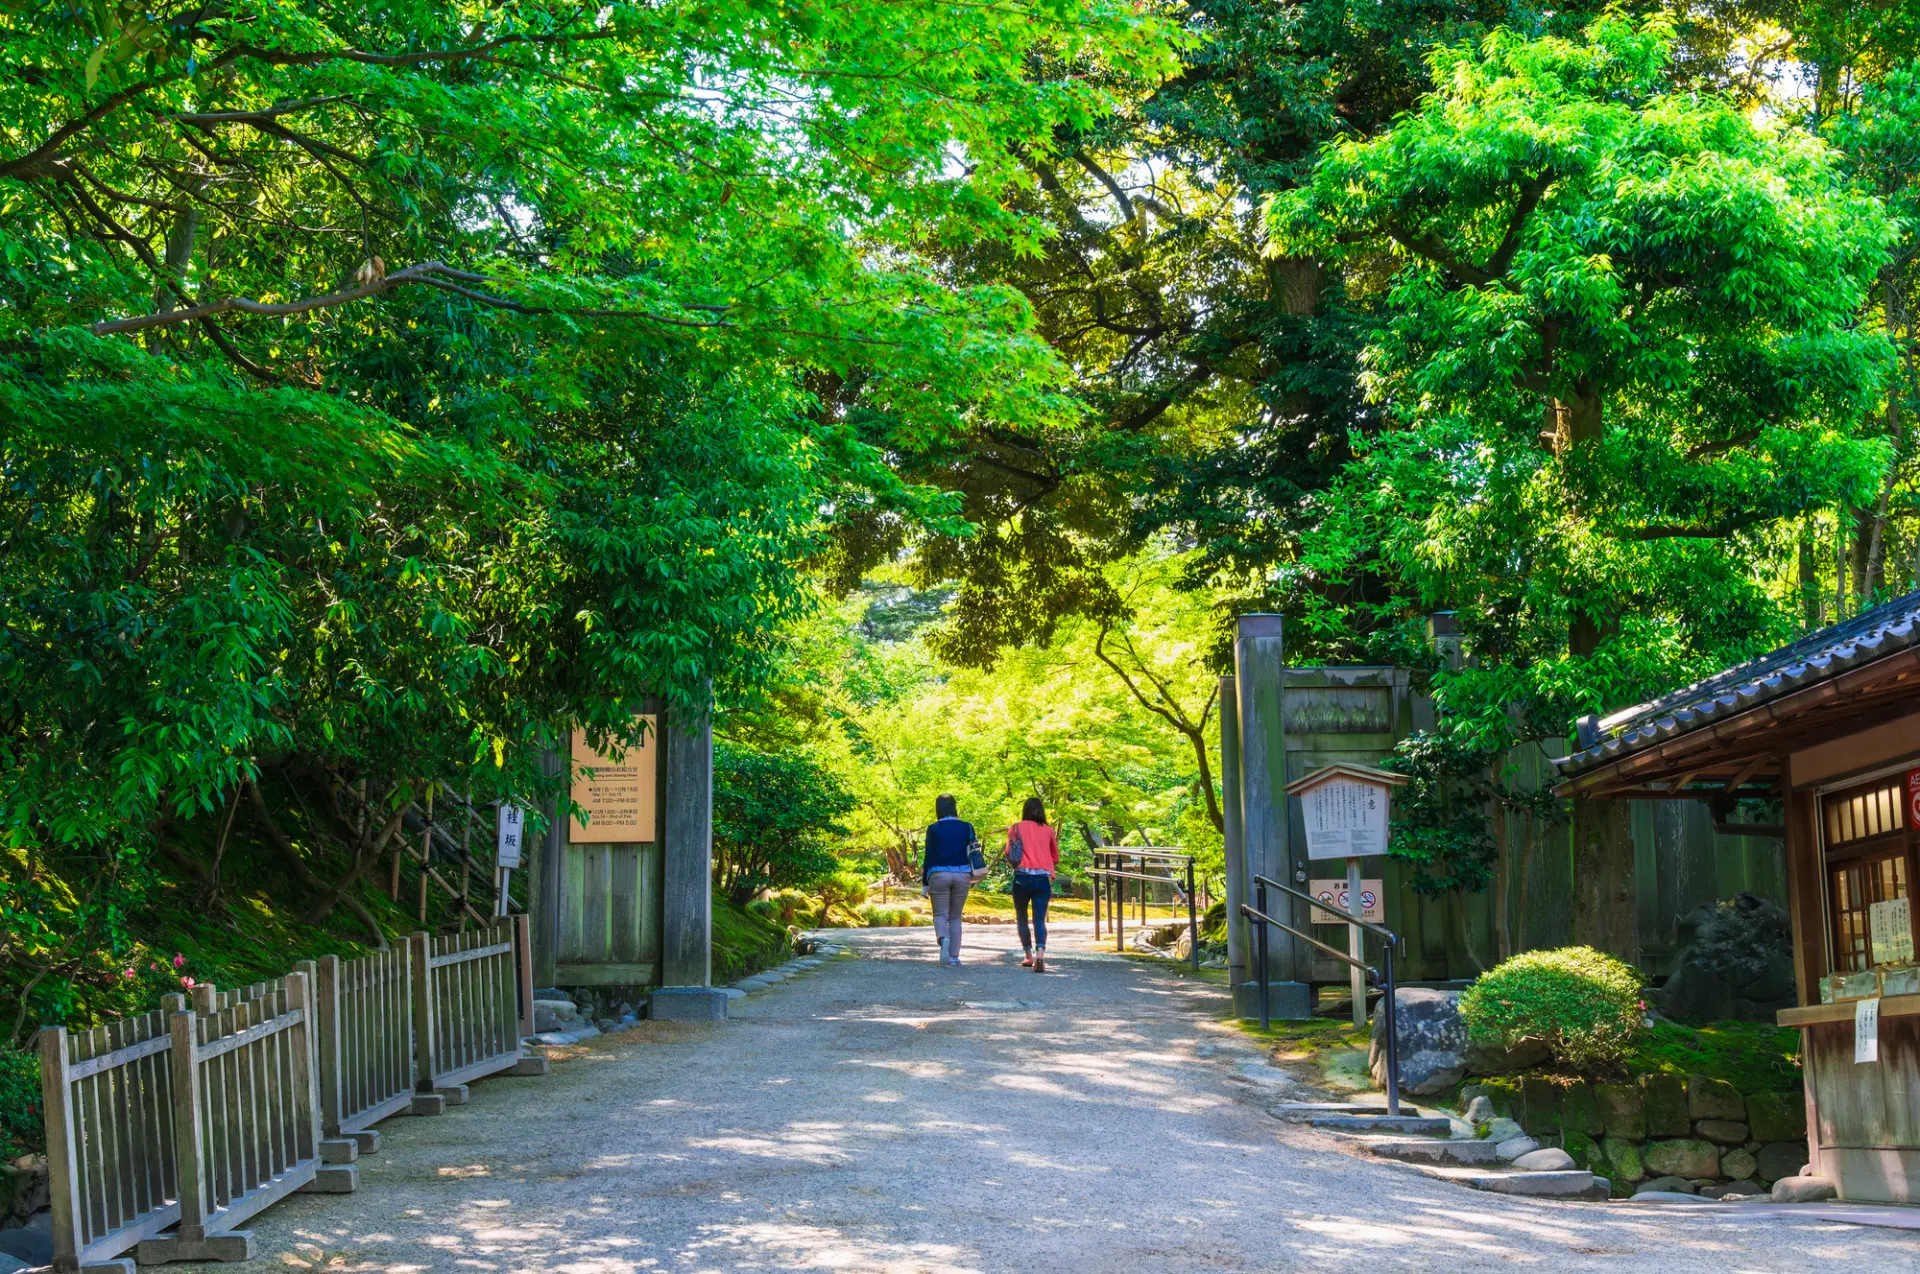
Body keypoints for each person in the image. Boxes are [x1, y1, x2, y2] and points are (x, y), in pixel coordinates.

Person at [1005, 796, 1061, 972]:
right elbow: (1055, 858)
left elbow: (1009, 853)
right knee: (1039, 919)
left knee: (1022, 916)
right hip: (1042, 879)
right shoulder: (1048, 830)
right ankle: (1040, 954)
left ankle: (1028, 956)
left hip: (1021, 877)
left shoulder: (1015, 828)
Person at [921, 793, 978, 966]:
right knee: (955, 917)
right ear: (954, 807)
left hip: (939, 874)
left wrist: (925, 884)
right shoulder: (967, 827)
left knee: (940, 914)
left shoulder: (933, 829)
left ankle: (943, 938)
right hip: (963, 875)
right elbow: (974, 851)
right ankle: (954, 957)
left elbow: (928, 856)